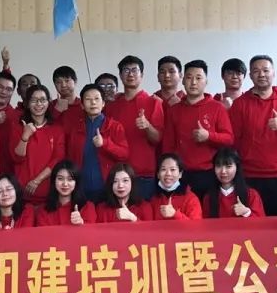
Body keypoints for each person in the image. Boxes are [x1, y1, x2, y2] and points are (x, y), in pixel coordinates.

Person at [229, 55, 277, 216]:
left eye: (266, 70)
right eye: (256, 71)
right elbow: (233, 141)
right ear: (250, 75)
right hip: (250, 176)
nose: (262, 74)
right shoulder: (240, 104)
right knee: (251, 224)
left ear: (274, 73)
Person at [162, 60, 234, 202]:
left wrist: (209, 136)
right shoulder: (174, 110)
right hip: (181, 175)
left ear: (206, 81)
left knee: (210, 212)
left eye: (198, 78)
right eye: (189, 78)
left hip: (210, 173)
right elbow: (168, 145)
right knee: (182, 212)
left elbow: (229, 139)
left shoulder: (217, 108)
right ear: (183, 80)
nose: (193, 82)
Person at [105, 56, 164, 201]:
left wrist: (147, 126)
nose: (130, 74)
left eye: (134, 70)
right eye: (126, 70)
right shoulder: (112, 106)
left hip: (144, 174)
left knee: (145, 213)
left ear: (142, 75)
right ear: (120, 75)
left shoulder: (153, 102)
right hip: (118, 175)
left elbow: (157, 139)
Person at [67, 84, 129, 203]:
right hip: (81, 188)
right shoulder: (75, 129)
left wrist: (104, 144)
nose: (93, 102)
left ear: (103, 103)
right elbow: (71, 158)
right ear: (82, 105)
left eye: (96, 98)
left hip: (107, 187)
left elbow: (124, 154)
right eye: (88, 99)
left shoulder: (114, 126)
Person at [12, 84, 65, 206]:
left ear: (48, 102)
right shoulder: (17, 127)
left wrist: (37, 180)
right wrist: (25, 136)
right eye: (34, 100)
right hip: (23, 192)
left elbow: (58, 159)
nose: (39, 104)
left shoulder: (56, 129)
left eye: (42, 100)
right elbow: (17, 157)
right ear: (27, 103)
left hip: (49, 192)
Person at [205, 147, 266, 219]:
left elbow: (261, 222)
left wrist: (246, 212)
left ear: (237, 168)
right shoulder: (209, 197)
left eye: (228, 166)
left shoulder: (251, 194)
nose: (223, 171)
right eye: (218, 166)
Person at [31, 161, 97, 226]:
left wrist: (81, 224)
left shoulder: (87, 207)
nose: (65, 184)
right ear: (54, 181)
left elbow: (92, 231)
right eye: (60, 178)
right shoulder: (43, 211)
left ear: (76, 182)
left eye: (70, 179)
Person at [148, 153, 203, 220]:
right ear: (158, 175)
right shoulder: (153, 199)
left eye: (173, 169)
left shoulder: (191, 199)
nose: (168, 173)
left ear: (180, 174)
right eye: (163, 169)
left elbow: (196, 225)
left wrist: (175, 214)